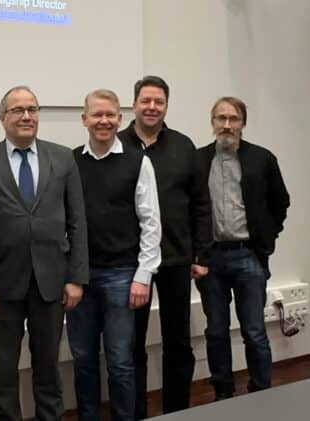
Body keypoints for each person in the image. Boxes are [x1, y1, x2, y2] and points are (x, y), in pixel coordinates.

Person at [0, 86, 88, 421]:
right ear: (2, 117)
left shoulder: (62, 158)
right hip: (3, 284)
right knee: (4, 371)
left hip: (51, 281)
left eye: (32, 109)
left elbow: (78, 222)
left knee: (48, 367)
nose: (26, 116)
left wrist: (76, 278)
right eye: (18, 110)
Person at [117, 75, 212, 418]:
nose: (152, 107)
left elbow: (202, 204)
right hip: (131, 263)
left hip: (176, 259)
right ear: (134, 104)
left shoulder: (184, 146)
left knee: (178, 343)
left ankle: (177, 411)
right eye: (146, 100)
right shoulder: (116, 144)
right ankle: (136, 412)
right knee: (131, 345)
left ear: (166, 106)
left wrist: (200, 254)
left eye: (159, 102)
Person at [68, 89, 161, 421]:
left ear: (120, 119)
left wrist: (143, 275)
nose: (103, 121)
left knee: (121, 361)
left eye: (110, 115)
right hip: (80, 278)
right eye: (96, 115)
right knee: (82, 359)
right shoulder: (70, 162)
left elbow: (151, 222)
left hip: (123, 276)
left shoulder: (139, 162)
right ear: (84, 120)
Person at [196, 96, 290, 400]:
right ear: (212, 123)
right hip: (210, 260)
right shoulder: (198, 161)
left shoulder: (262, 159)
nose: (226, 125)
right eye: (220, 118)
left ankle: (261, 394)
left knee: (254, 331)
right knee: (216, 333)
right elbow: (187, 209)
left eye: (233, 118)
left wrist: (267, 239)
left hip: (249, 256)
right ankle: (223, 395)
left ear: (243, 124)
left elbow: (280, 202)